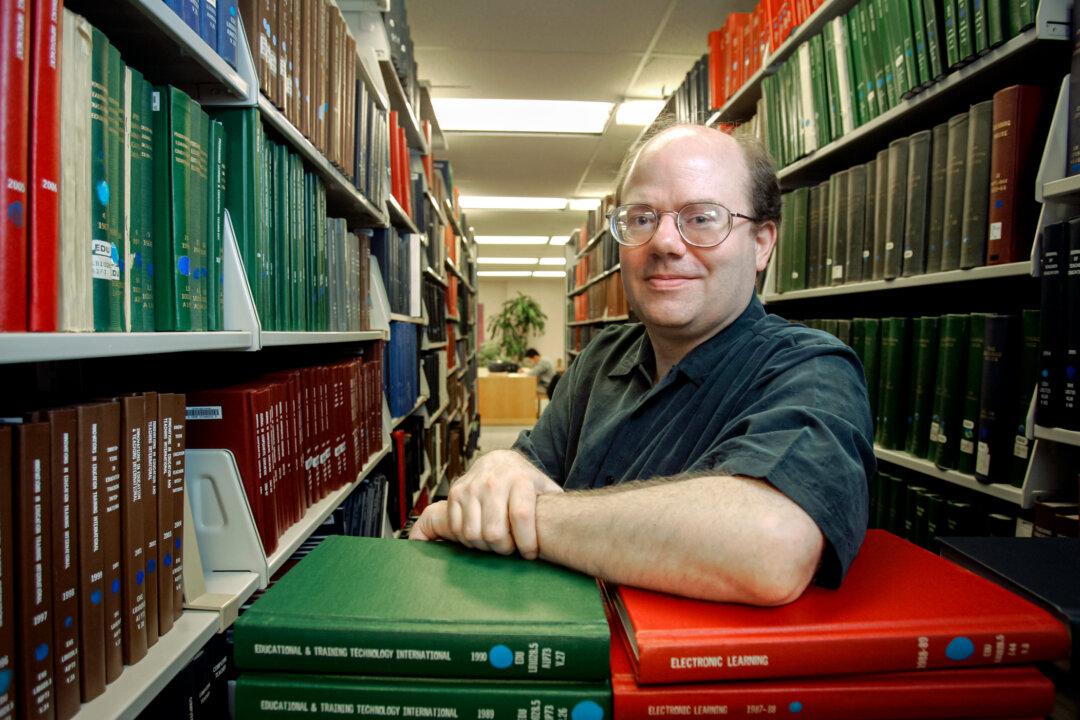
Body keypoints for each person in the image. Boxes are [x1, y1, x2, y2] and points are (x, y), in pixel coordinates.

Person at [411, 123, 874, 606]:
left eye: (701, 218)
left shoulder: (813, 368)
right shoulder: (601, 357)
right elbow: (530, 464)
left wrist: (530, 518)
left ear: (761, 243)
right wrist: (500, 463)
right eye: (641, 218)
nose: (665, 243)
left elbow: (772, 545)